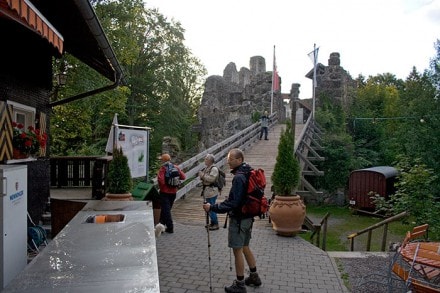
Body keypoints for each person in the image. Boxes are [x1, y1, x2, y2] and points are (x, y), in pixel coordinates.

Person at [203, 148, 262, 293]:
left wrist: (212, 207)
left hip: (239, 219)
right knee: (245, 246)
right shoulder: (248, 172)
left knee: (237, 250)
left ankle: (240, 284)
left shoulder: (239, 177)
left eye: (231, 158)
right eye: (228, 158)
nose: (228, 161)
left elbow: (233, 203)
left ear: (239, 160)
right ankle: (254, 276)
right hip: (248, 217)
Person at [157, 153, 186, 233]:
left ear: (163, 160)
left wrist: (162, 186)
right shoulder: (175, 167)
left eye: (161, 160)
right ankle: (160, 226)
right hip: (173, 192)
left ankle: (170, 227)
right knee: (165, 210)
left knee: (166, 211)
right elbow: (183, 177)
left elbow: (161, 181)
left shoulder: (163, 169)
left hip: (164, 192)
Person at [198, 154, 220, 230]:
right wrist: (202, 176)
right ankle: (212, 223)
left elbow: (211, 179)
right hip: (207, 191)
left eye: (206, 159)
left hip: (211, 191)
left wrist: (202, 175)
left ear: (210, 160)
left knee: (211, 207)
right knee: (208, 207)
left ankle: (215, 224)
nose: (205, 160)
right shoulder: (207, 168)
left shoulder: (214, 169)